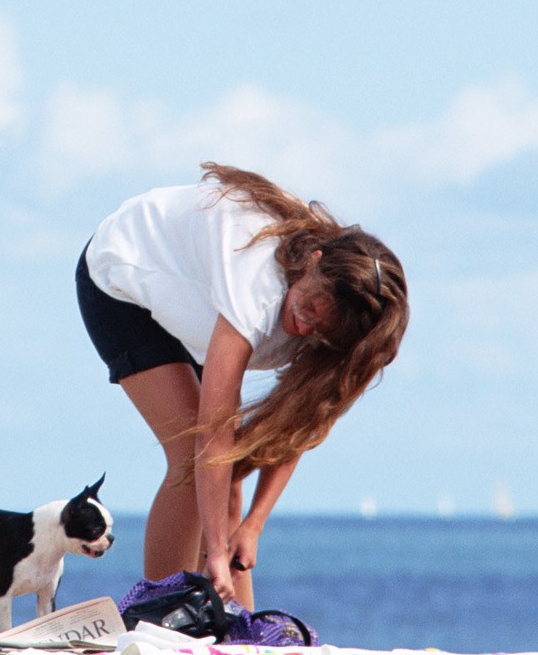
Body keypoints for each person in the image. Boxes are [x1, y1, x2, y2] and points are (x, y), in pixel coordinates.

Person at [75, 162, 408, 606]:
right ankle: (157, 616)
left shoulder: (341, 326)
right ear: (313, 262)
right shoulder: (257, 288)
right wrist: (215, 550)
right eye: (309, 305)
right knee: (191, 459)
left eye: (321, 328)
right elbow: (214, 432)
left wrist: (252, 525)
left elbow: (295, 424)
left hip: (192, 302)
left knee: (228, 476)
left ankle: (237, 627)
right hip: (123, 275)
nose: (305, 326)